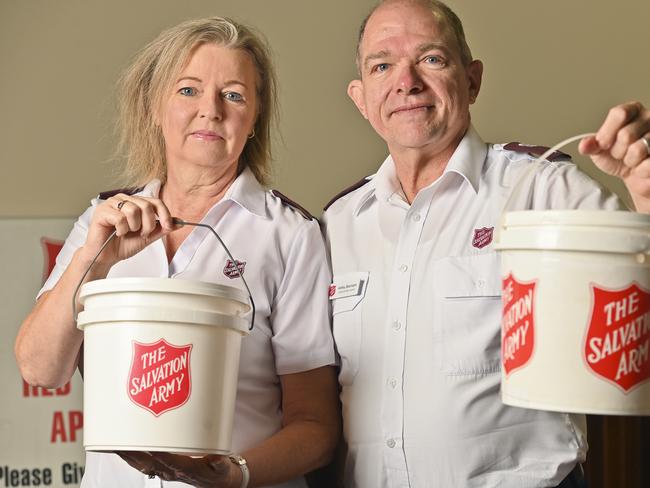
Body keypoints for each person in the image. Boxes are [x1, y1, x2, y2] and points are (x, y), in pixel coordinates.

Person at [322, 0, 650, 487]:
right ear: (361, 97)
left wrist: (645, 197)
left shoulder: (544, 188)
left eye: (431, 59)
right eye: (382, 65)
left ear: (472, 80)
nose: (406, 81)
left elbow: (635, 313)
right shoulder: (337, 224)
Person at [15, 16, 340, 488]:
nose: (210, 110)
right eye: (188, 90)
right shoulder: (101, 221)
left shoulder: (290, 235)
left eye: (234, 95)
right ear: (154, 106)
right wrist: (95, 260)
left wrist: (235, 475)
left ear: (253, 119)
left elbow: (316, 429)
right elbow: (40, 368)